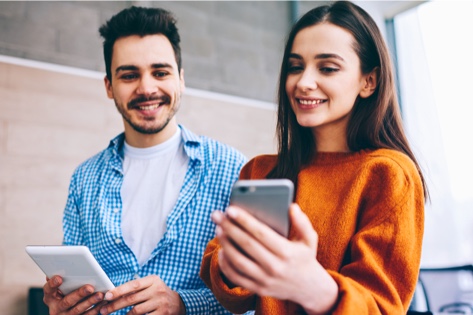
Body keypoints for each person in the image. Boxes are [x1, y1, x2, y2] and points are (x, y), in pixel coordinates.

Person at [200, 1, 427, 314]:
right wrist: (229, 264)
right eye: (295, 67)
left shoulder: (387, 174)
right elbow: (236, 298)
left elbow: (382, 307)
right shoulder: (260, 170)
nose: (303, 82)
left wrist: (315, 288)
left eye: (328, 68)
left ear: (368, 81)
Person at [42, 6, 246, 315]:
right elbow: (75, 294)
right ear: (109, 86)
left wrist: (183, 305)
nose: (147, 88)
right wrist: (63, 306)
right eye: (129, 75)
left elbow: (252, 300)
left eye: (160, 72)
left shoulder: (233, 170)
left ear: (181, 79)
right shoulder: (83, 179)